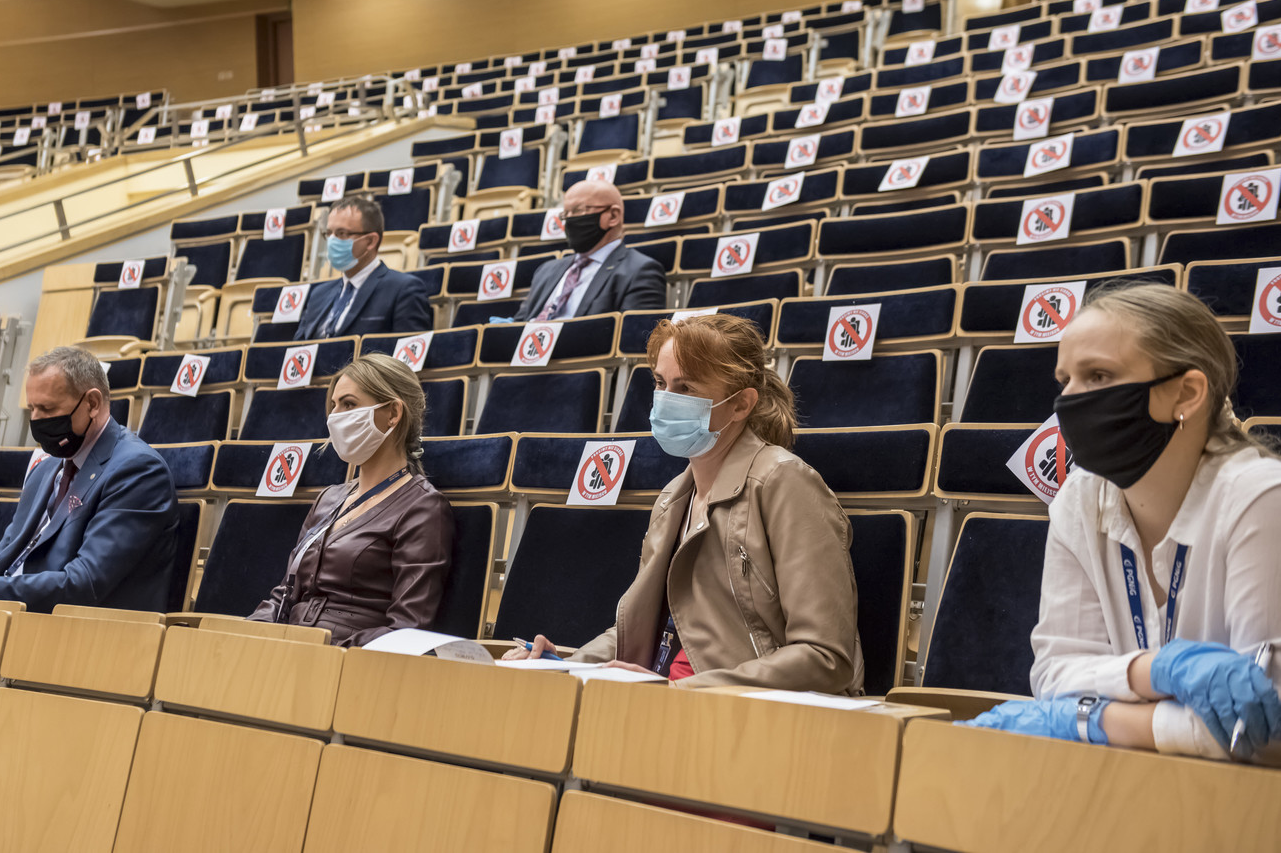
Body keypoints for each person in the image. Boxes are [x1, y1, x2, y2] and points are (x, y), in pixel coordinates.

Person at [964, 284, 1281, 767]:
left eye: (1098, 375)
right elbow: (1055, 675)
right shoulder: (1078, 500)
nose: (1068, 401)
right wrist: (1153, 672)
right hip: (1131, 780)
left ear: (1187, 393)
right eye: (1065, 380)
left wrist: (1091, 720)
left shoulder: (1267, 500)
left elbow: (1271, 729)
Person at [503, 314, 864, 690]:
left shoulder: (784, 481)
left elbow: (825, 656)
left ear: (741, 404)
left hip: (742, 712)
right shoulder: (672, 498)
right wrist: (564, 668)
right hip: (668, 701)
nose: (666, 400)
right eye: (661, 383)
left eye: (686, 387)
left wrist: (680, 692)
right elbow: (650, 631)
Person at [0, 345, 178, 612]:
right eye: (32, 409)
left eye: (47, 409)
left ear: (92, 403)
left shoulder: (137, 470)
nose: (36, 420)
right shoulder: (46, 469)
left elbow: (84, 583)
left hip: (84, 632)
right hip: (15, 617)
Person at [250, 353, 453, 645]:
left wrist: (326, 653)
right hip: (290, 649)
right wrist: (248, 635)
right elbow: (284, 595)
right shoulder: (328, 498)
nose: (334, 417)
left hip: (349, 659)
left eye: (348, 404)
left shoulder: (423, 507)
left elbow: (408, 628)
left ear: (393, 413)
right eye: (333, 406)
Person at [513, 180, 666, 321]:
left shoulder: (640, 271)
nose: (569, 220)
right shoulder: (545, 271)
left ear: (613, 216)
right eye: (566, 214)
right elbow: (518, 325)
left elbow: (634, 335)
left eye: (578, 210)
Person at [295, 196, 433, 338]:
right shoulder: (318, 294)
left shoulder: (404, 289)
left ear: (370, 241)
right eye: (329, 233)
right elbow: (297, 348)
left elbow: (408, 350)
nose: (332, 241)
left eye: (342, 233)